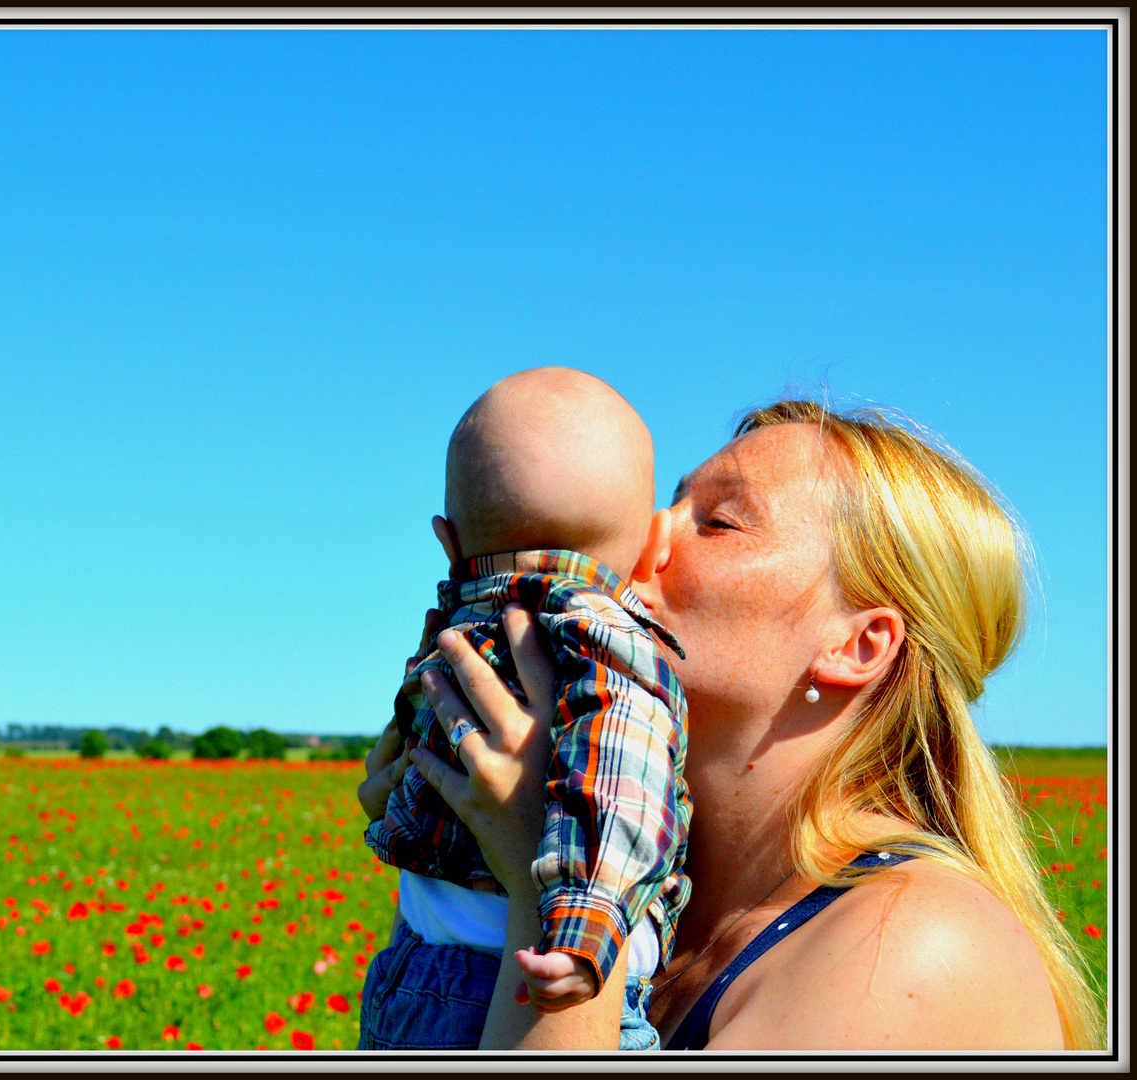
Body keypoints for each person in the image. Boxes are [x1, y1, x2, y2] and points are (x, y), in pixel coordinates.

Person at [360, 399, 1099, 1050]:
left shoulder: (915, 951)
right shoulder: (672, 914)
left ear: (854, 645)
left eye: (717, 522)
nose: (647, 536)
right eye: (668, 503)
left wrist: (545, 881)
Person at [362, 368, 689, 1051]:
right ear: (656, 547)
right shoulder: (604, 644)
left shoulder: (456, 634)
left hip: (415, 968)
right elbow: (617, 788)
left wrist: (389, 811)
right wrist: (582, 923)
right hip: (540, 978)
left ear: (447, 542)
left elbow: (415, 762)